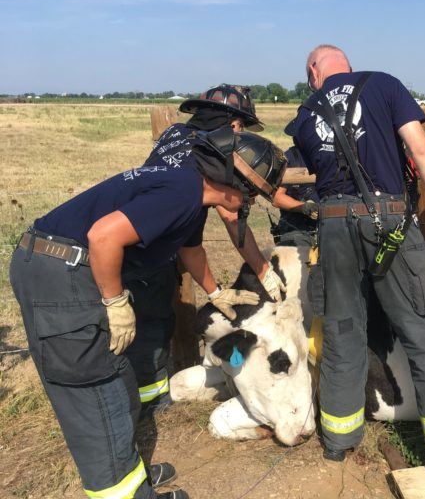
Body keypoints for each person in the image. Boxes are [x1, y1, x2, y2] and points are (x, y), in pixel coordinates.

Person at [9, 129, 286, 499]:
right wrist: (114, 302)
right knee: (95, 392)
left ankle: (130, 473)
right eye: (253, 196)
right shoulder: (181, 193)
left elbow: (191, 250)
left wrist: (216, 292)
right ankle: (125, 491)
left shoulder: (191, 195)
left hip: (71, 268)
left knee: (118, 378)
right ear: (233, 184)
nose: (249, 206)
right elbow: (103, 237)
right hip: (62, 273)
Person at [293, 44, 425, 476]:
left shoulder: (306, 111)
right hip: (385, 220)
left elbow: (321, 170)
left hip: (332, 227)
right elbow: (422, 150)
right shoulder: (382, 84)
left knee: (342, 329)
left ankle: (338, 439)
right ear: (344, 63)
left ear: (315, 70)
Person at [133, 85, 286, 412]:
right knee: (154, 322)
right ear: (233, 124)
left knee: (143, 320)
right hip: (152, 248)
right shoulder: (215, 150)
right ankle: (149, 402)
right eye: (242, 126)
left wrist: (214, 290)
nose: (241, 134)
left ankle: (146, 396)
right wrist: (262, 269)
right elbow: (232, 217)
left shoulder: (177, 133)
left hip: (141, 231)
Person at [270, 117, 319, 247]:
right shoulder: (290, 158)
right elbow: (277, 198)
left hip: (328, 226)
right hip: (295, 227)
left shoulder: (326, 155)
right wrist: (304, 207)